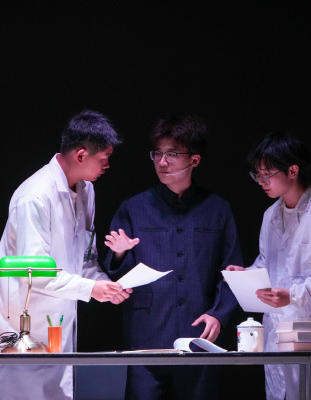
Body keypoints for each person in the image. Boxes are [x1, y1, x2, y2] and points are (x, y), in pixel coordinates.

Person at [0, 110, 132, 400]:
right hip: (21, 328)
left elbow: (84, 259)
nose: (108, 165)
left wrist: (104, 284)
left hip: (59, 324)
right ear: (81, 155)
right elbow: (33, 274)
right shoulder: (35, 195)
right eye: (104, 158)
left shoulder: (87, 192)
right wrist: (91, 289)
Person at [102, 114, 243, 399]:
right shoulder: (133, 208)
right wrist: (119, 253)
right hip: (145, 335)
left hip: (198, 335)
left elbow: (233, 271)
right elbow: (117, 277)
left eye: (172, 154)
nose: (162, 162)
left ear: (195, 160)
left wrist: (218, 315)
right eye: (157, 154)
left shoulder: (218, 209)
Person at [226, 132, 311, 400]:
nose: (261, 182)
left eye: (267, 174)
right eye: (257, 175)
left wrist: (293, 296)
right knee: (282, 391)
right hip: (279, 333)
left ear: (292, 170)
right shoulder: (271, 216)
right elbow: (268, 264)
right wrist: (247, 274)